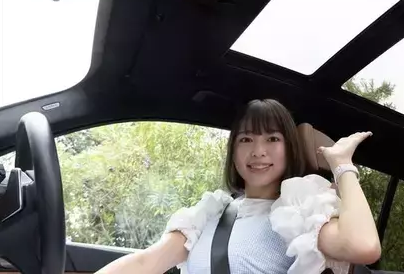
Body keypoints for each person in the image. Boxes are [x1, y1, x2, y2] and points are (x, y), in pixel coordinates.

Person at [96, 99, 381, 274]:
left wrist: (342, 165)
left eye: (272, 139)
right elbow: (146, 263)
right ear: (233, 152)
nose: (258, 151)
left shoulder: (301, 211)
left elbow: (364, 246)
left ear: (290, 149)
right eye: (246, 139)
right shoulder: (209, 213)